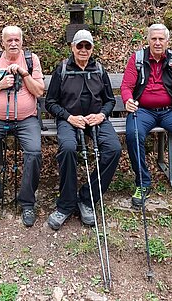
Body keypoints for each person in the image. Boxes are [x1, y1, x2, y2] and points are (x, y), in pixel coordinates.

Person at [121, 23, 172, 210]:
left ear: (167, 41)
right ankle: (142, 183)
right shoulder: (137, 59)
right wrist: (128, 100)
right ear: (148, 40)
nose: (157, 42)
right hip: (143, 110)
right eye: (154, 39)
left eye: (161, 39)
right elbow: (126, 86)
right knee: (133, 134)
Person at [45, 29, 121, 230]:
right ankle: (66, 204)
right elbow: (50, 102)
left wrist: (102, 115)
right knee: (68, 148)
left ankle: (87, 199)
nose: (83, 50)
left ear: (92, 48)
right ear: (72, 47)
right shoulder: (61, 70)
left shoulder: (99, 70)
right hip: (70, 119)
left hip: (96, 118)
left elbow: (110, 100)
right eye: (80, 45)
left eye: (87, 46)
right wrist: (68, 117)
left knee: (113, 149)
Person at [0, 26, 44, 226]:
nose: (13, 43)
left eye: (16, 40)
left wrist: (24, 74)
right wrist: (0, 85)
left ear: (22, 41)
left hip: (26, 119)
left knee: (33, 152)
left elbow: (39, 91)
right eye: (9, 40)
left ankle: (27, 202)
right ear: (2, 42)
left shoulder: (32, 60)